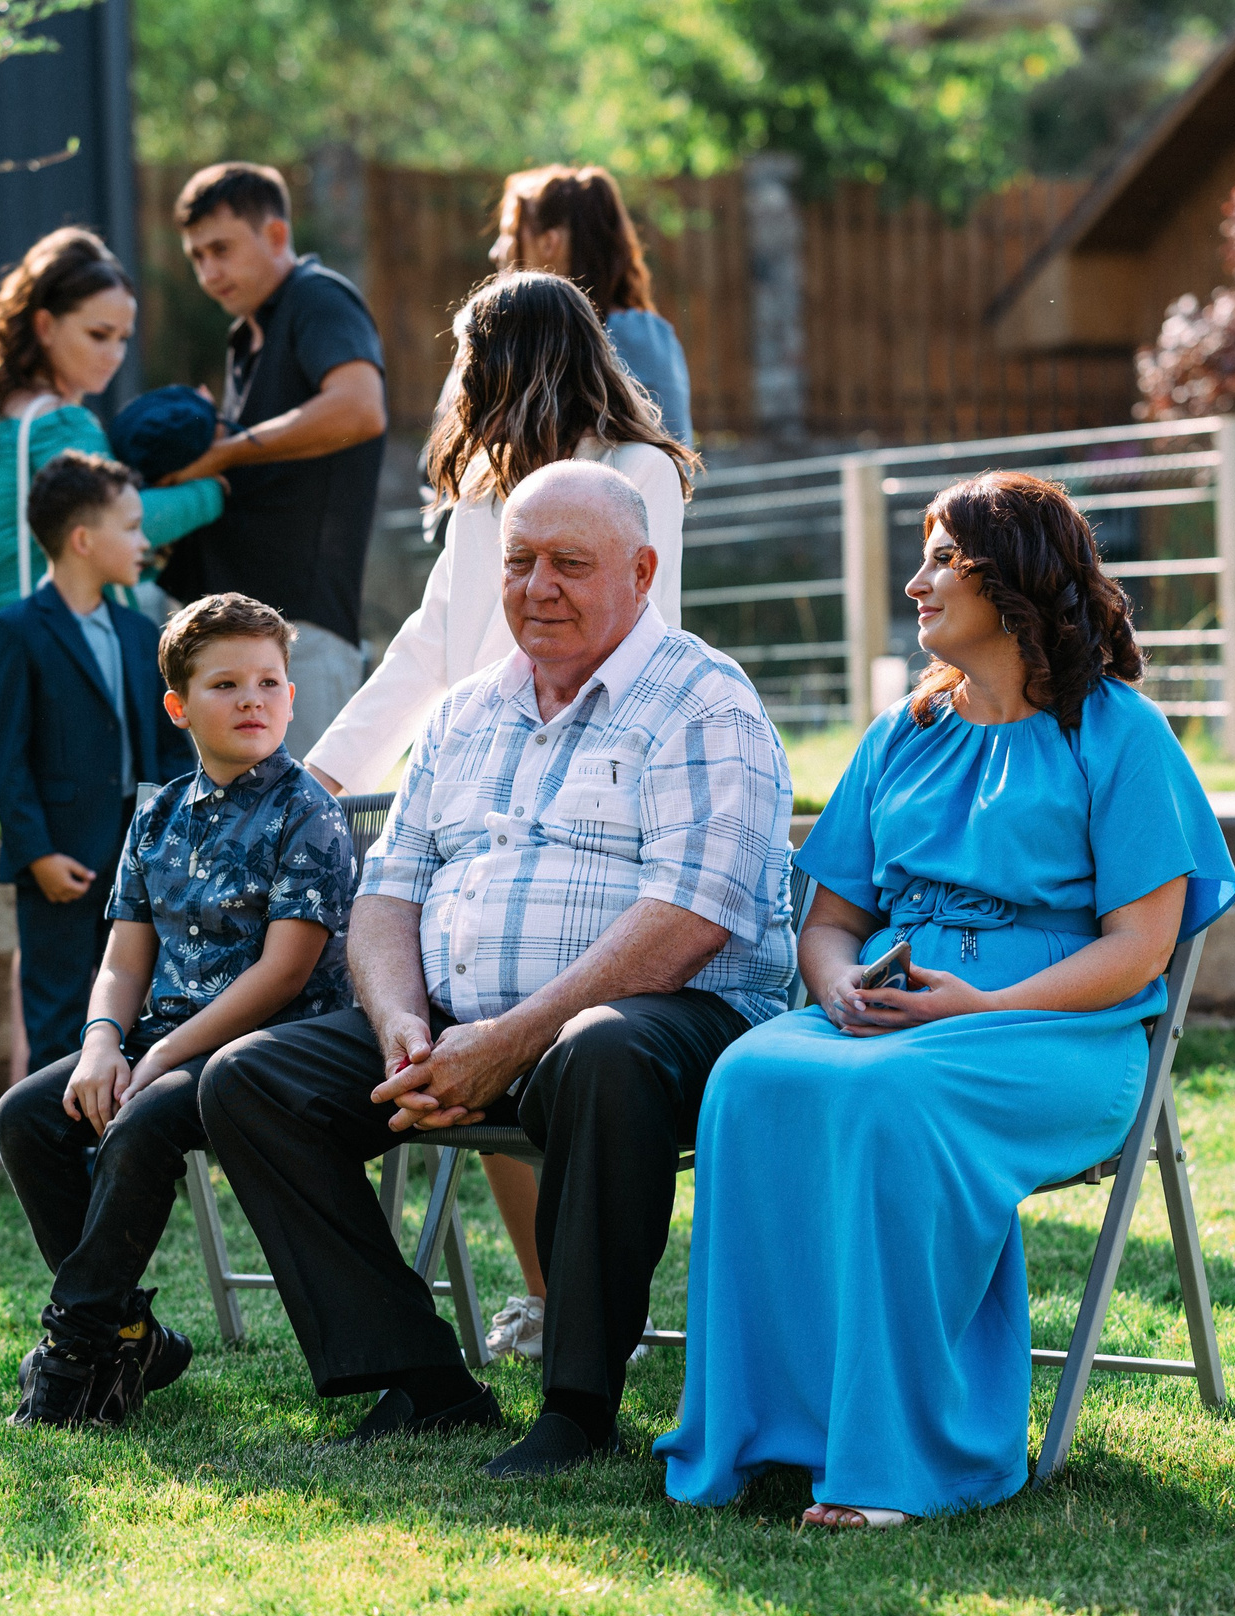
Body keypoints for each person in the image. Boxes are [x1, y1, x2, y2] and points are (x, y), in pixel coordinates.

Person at [654, 471, 1235, 1529]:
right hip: (887, 1010)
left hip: (1060, 1025)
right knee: (748, 1073)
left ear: (1010, 581)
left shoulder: (1117, 733)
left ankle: (901, 1457)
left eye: (940, 560)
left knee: (893, 1102)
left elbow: (1138, 953)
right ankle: (759, 1427)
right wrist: (832, 985)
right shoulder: (901, 733)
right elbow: (829, 920)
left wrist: (973, 1004)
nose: (917, 582)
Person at [196, 460, 794, 1480]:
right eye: (519, 561)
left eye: (570, 563)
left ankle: (576, 1402)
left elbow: (689, 919)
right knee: (249, 1080)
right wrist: (399, 1023)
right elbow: (387, 890)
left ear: (642, 571)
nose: (537, 586)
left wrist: (510, 1038)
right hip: (456, 1021)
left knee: (596, 1052)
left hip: (667, 1019)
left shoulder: (702, 701)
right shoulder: (467, 710)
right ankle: (422, 1375)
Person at [303, 271, 698, 1360]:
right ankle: (548, 1291)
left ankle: (580, 1298)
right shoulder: (483, 489)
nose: (460, 383)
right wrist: (321, 775)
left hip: (598, 776)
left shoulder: (636, 470)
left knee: (546, 1031)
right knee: (468, 997)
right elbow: (429, 644)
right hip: (480, 781)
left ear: (518, 355)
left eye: (472, 359)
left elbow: (632, 613)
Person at [0, 592, 357, 1428]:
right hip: (166, 1036)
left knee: (143, 1117)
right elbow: (124, 957)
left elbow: (282, 972)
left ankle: (75, 1352)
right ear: (179, 705)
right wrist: (100, 1046)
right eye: (226, 685)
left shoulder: (310, 812)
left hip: (272, 1048)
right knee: (28, 1114)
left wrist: (157, 1058)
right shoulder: (156, 814)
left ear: (293, 697)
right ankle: (129, 1333)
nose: (253, 700)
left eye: (269, 682)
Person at [0, 226, 225, 735]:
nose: (113, 354)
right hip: (63, 670)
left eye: (122, 338)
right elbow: (128, 521)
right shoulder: (60, 426)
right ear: (45, 325)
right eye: (98, 334)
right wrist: (215, 489)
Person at [165, 163, 390, 755]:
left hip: (303, 641)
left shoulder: (317, 298)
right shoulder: (247, 334)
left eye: (221, 249)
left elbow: (360, 407)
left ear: (274, 236)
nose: (209, 272)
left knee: (308, 842)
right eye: (197, 257)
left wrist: (227, 451)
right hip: (246, 645)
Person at [0, 453, 195, 1075]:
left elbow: (169, 746)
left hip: (137, 858)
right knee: (57, 1013)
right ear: (82, 539)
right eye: (130, 527)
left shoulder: (139, 631)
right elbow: (6, 758)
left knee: (131, 1007)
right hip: (60, 862)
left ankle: (113, 1149)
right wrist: (37, 854)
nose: (144, 540)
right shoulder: (15, 631)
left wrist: (167, 839)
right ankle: (53, 1151)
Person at [490, 164, 694, 448]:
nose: (496, 251)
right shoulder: (499, 335)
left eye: (510, 234)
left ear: (550, 242)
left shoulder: (636, 339)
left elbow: (671, 468)